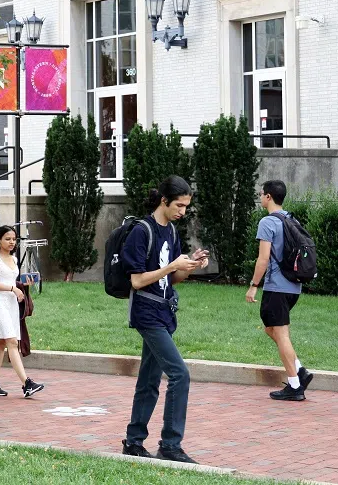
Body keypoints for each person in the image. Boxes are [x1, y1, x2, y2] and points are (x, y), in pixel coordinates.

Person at [120, 176, 208, 464]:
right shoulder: (142, 232)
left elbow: (173, 279)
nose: (183, 211)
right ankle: (170, 445)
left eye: (186, 206)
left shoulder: (171, 231)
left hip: (164, 312)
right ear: (164, 201)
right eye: (179, 205)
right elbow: (136, 281)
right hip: (147, 313)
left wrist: (190, 266)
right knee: (180, 375)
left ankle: (133, 442)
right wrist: (171, 265)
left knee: (149, 380)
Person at [246, 180, 313, 401]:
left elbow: (263, 259)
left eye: (261, 193)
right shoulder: (291, 218)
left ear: (268, 197)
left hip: (277, 285)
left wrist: (254, 286)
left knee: (281, 333)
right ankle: (299, 370)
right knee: (272, 329)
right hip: (294, 285)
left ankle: (295, 385)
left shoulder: (267, 222)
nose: (260, 197)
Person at [0, 225, 45, 399]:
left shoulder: (14, 259)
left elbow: (12, 281)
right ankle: (27, 384)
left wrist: (23, 285)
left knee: (1, 344)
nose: (11, 242)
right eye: (7, 239)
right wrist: (12, 289)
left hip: (11, 304)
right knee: (11, 342)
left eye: (13, 239)